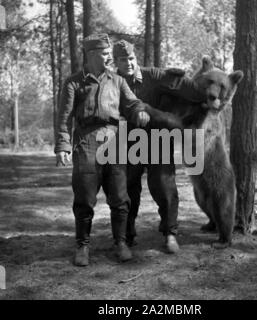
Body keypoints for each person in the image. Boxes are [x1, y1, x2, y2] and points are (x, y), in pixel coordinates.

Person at [55, 34, 150, 266]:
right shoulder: (74, 82)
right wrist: (63, 145)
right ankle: (82, 246)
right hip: (86, 142)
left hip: (114, 141)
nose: (109, 57)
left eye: (109, 53)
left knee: (120, 197)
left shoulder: (117, 81)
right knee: (85, 197)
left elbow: (132, 102)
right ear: (91, 55)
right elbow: (65, 117)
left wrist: (139, 111)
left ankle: (120, 242)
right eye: (105, 53)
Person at [113, 39, 206, 253]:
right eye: (122, 60)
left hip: (157, 138)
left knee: (165, 186)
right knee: (127, 187)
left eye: (131, 58)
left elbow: (186, 88)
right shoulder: (112, 81)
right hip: (129, 140)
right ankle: (127, 235)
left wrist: (205, 96)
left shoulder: (153, 75)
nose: (128, 62)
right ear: (115, 62)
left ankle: (170, 233)